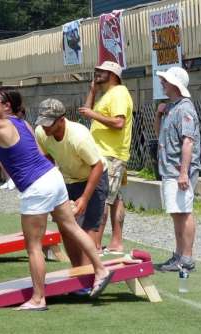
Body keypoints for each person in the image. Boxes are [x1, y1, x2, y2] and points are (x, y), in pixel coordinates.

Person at [0, 63, 113, 310]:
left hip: (37, 187)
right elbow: (39, 154)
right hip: (53, 178)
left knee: (34, 246)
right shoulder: (23, 123)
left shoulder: (3, 124)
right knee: (71, 227)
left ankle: (38, 299)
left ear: (6, 106)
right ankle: (100, 270)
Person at [35, 98, 109, 270]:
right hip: (68, 179)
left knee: (88, 228)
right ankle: (77, 270)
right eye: (43, 123)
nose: (45, 127)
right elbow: (48, 159)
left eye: (49, 124)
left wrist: (84, 198)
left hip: (94, 177)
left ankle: (89, 274)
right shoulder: (41, 132)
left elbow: (97, 166)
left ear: (61, 120)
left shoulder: (78, 136)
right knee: (66, 227)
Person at [79, 61, 133, 254]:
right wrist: (92, 91)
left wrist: (94, 114)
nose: (96, 73)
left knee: (101, 199)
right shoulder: (107, 94)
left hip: (111, 154)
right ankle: (116, 242)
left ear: (113, 74)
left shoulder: (118, 93)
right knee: (115, 197)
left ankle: (95, 244)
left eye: (100, 71)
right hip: (105, 153)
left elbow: (119, 122)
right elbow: (86, 113)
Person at [154, 67, 201, 272]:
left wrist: (184, 172)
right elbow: (160, 135)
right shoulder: (172, 107)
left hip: (178, 170)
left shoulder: (184, 108)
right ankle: (179, 254)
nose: (162, 83)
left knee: (184, 212)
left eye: (165, 80)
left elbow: (188, 142)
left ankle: (186, 258)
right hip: (170, 169)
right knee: (177, 212)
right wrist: (158, 115)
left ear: (175, 84)